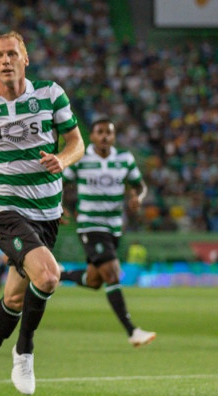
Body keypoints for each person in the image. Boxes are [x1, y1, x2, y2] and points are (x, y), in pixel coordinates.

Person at [0, 31, 84, 396]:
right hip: (4, 208)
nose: (5, 60)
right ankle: (24, 352)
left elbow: (76, 141)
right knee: (49, 275)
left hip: (48, 212)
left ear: (25, 58)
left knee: (13, 298)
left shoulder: (50, 95)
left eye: (12, 53)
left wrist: (63, 159)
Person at [60, 118, 156, 347]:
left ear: (114, 137)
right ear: (92, 136)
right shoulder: (81, 158)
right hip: (90, 225)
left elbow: (140, 185)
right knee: (112, 273)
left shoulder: (124, 160)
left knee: (94, 280)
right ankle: (133, 331)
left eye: (109, 133)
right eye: (100, 132)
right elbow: (60, 182)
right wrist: (60, 206)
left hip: (114, 226)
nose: (104, 137)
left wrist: (137, 198)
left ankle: (59, 274)